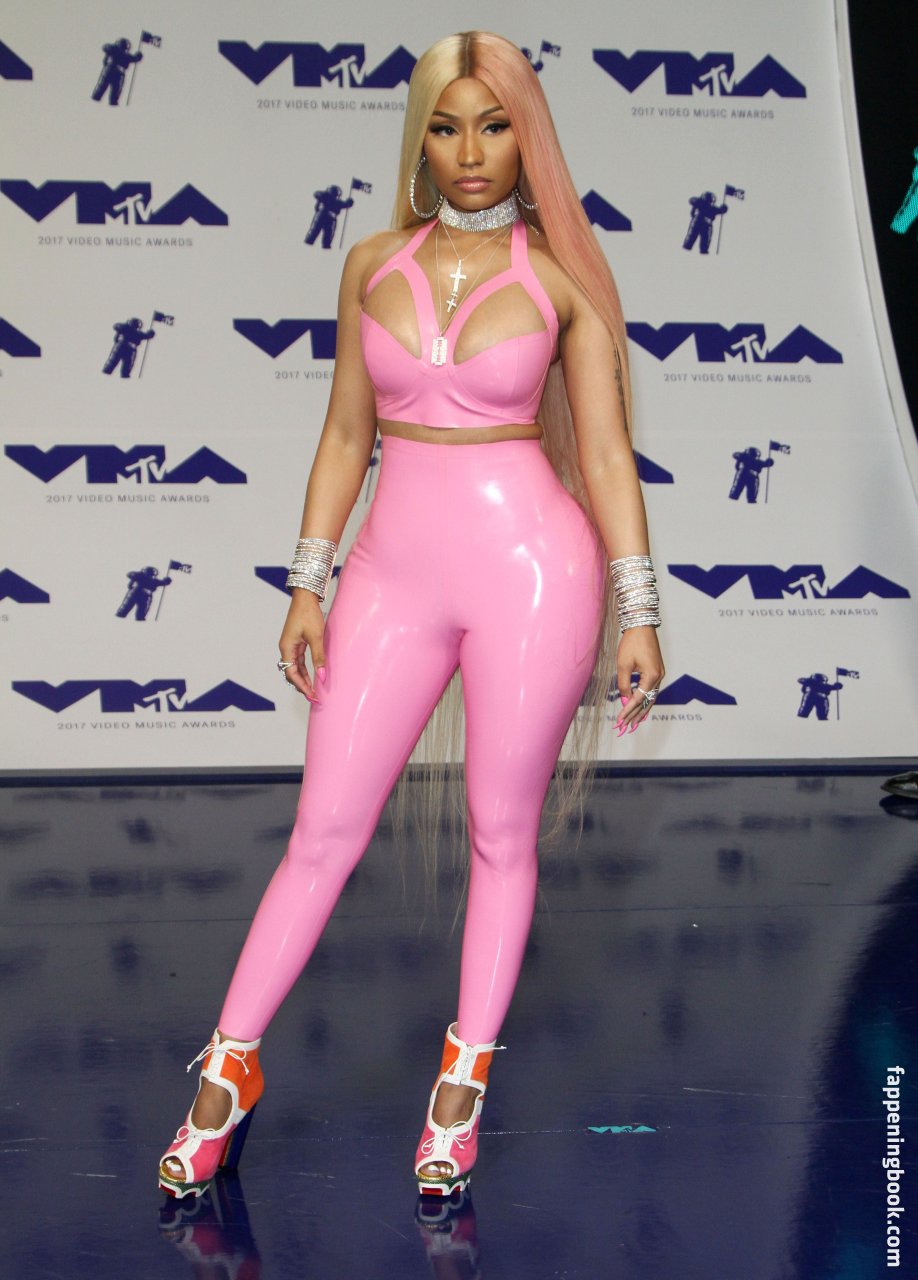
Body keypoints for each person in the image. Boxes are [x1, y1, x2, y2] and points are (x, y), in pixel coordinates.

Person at [158, 30, 664, 1203]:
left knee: (500, 832)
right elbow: (347, 432)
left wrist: (639, 607)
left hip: (534, 573)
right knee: (321, 831)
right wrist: (307, 580)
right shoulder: (370, 262)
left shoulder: (566, 278)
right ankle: (228, 1067)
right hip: (390, 573)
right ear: (420, 138)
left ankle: (460, 1088)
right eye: (446, 126)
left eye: (494, 125)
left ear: (526, 138)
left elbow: (605, 455)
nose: (470, 151)